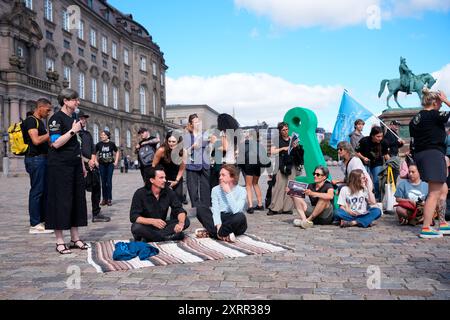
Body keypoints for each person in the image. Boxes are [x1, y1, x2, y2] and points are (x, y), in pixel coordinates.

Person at [46, 88, 88, 254]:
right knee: (61, 201)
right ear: (65, 100)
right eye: (75, 99)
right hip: (60, 166)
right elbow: (55, 143)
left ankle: (75, 238)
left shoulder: (74, 117)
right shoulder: (56, 119)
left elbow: (76, 143)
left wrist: (82, 164)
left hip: (75, 164)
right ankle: (59, 241)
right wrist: (73, 130)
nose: (77, 102)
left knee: (77, 200)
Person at [409, 89, 450, 238]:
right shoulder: (434, 114)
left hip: (422, 154)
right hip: (432, 153)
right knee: (434, 192)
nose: (441, 106)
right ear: (435, 102)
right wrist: (446, 100)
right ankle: (426, 227)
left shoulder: (415, 118)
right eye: (440, 103)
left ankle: (443, 223)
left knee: (443, 188)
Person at [130, 165, 190, 242]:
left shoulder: (168, 191)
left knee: (186, 220)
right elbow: (134, 217)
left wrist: (181, 224)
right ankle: (166, 237)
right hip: (147, 226)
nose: (165, 180)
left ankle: (153, 237)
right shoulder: (140, 193)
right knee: (136, 227)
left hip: (162, 226)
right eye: (161, 178)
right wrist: (152, 221)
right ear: (152, 180)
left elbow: (179, 209)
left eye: (165, 177)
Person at [22, 98, 53, 234]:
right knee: (37, 190)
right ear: (40, 107)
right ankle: (34, 224)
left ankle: (41, 220)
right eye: (47, 109)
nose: (48, 112)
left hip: (41, 159)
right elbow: (36, 140)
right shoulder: (31, 121)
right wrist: (50, 134)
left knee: (43, 190)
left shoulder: (39, 122)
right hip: (35, 159)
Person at [195, 165, 247, 242]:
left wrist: (228, 192)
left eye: (223, 175)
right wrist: (219, 225)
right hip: (220, 218)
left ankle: (213, 232)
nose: (220, 177)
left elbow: (236, 210)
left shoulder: (242, 191)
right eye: (220, 175)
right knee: (200, 209)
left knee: (240, 216)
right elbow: (215, 210)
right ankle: (222, 235)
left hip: (233, 219)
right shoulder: (215, 190)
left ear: (232, 177)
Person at [78, 111, 110, 222]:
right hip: (80, 166)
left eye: (84, 119)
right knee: (79, 192)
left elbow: (93, 149)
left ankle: (96, 213)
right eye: (81, 119)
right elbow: (76, 151)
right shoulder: (75, 134)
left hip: (91, 165)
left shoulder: (87, 134)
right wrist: (87, 161)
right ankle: (78, 215)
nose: (84, 120)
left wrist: (92, 160)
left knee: (97, 187)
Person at [267, 122, 304, 215]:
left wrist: (296, 147)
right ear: (280, 131)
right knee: (278, 186)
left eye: (287, 129)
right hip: (281, 165)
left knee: (291, 186)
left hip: (292, 164)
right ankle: (275, 208)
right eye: (283, 130)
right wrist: (282, 148)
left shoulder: (293, 139)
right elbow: (272, 151)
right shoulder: (277, 140)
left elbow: (299, 152)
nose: (285, 131)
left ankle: (288, 208)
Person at [183, 114, 211, 208]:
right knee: (193, 187)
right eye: (195, 122)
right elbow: (185, 152)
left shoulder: (205, 135)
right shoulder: (187, 136)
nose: (198, 123)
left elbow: (209, 148)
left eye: (198, 121)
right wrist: (193, 147)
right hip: (192, 165)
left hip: (205, 164)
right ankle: (196, 207)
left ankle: (206, 206)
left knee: (206, 186)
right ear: (191, 124)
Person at [355, 126, 389, 201]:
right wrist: (363, 158)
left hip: (377, 163)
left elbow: (386, 154)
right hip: (365, 163)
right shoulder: (364, 140)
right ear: (372, 135)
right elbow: (356, 152)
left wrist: (390, 163)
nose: (380, 138)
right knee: (365, 180)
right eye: (378, 136)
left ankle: (377, 198)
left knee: (377, 180)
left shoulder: (384, 142)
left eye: (381, 136)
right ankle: (365, 197)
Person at [152, 131, 186, 203]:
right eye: (169, 141)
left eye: (173, 141)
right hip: (163, 176)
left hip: (176, 176)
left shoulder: (183, 152)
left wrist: (176, 181)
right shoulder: (161, 150)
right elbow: (153, 165)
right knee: (163, 199)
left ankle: (176, 214)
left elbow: (182, 168)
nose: (171, 143)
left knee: (178, 198)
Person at [241, 130, 265, 213]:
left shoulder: (245, 144)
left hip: (249, 165)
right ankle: (260, 204)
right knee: (255, 184)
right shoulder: (260, 145)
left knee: (248, 185)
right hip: (258, 165)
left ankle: (250, 206)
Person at [95, 130, 119, 206]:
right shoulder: (99, 144)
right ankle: (104, 199)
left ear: (107, 136)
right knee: (103, 182)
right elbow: (94, 153)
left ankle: (109, 199)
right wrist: (96, 162)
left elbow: (117, 151)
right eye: (101, 135)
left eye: (103, 135)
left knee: (108, 182)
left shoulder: (111, 144)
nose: (101, 136)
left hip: (110, 165)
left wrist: (116, 161)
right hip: (101, 165)